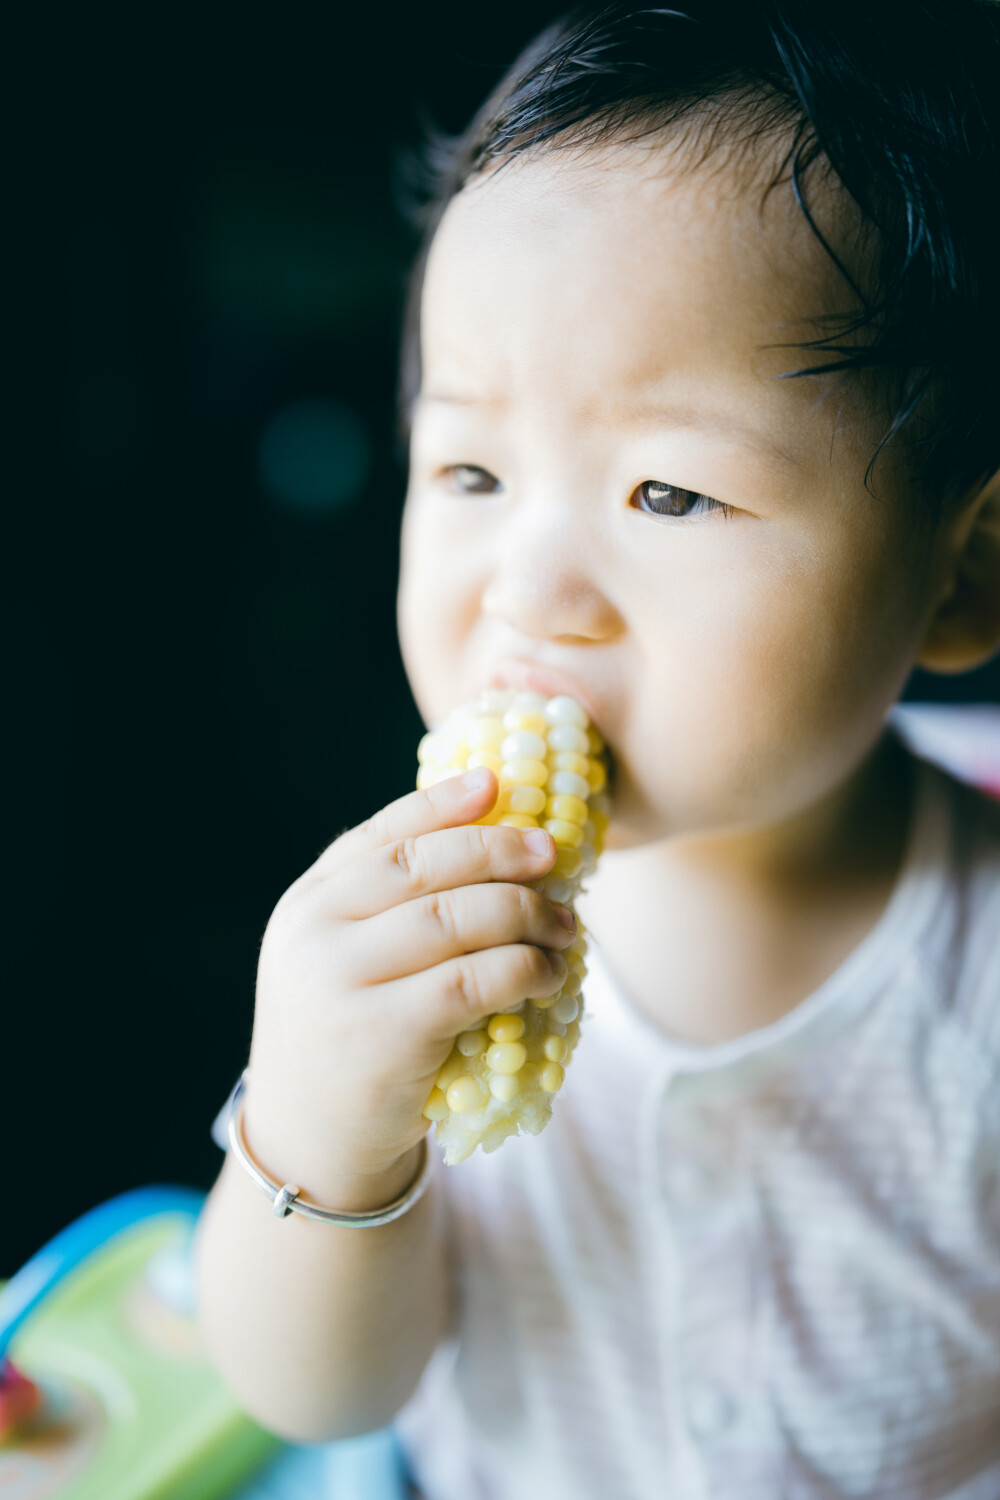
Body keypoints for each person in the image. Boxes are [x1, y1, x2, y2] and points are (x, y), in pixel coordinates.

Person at [195, 2, 1000, 1495]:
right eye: (473, 470)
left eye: (669, 496)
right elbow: (312, 1390)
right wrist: (321, 1126)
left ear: (960, 577)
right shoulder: (404, 963)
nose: (527, 594)